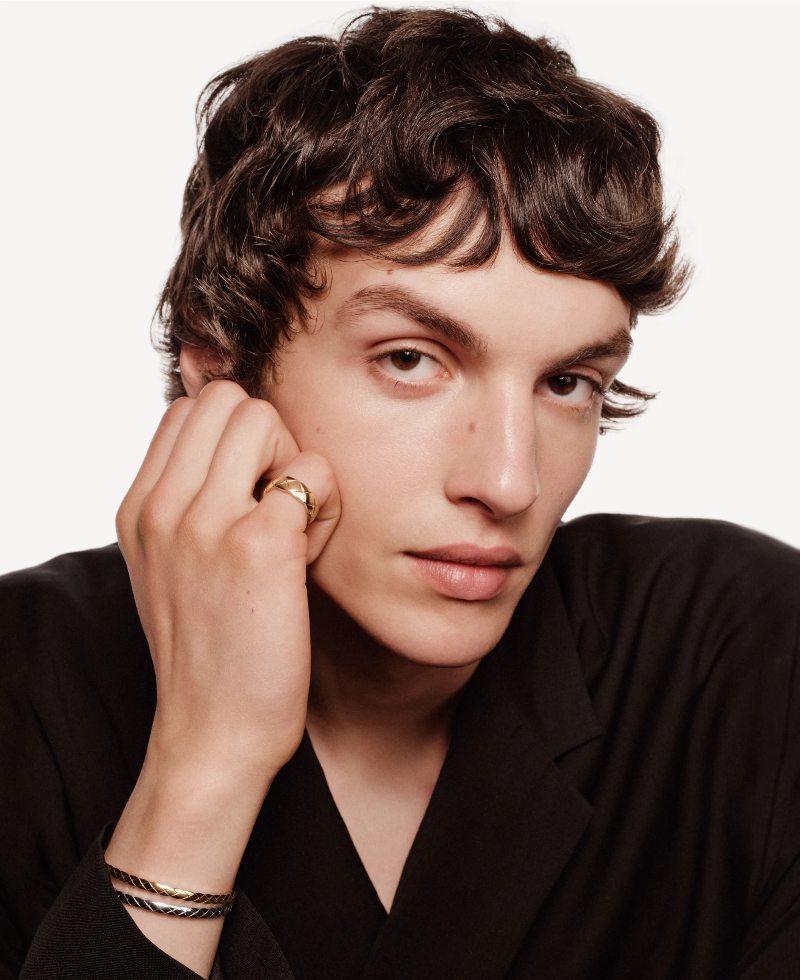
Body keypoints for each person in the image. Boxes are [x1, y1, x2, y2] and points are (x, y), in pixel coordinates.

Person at [2, 6, 798, 979]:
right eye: (410, 359)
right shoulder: (26, 681)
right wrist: (205, 764)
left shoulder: (741, 656)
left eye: (566, 382)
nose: (507, 481)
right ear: (222, 372)